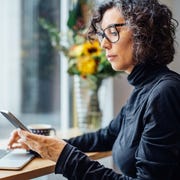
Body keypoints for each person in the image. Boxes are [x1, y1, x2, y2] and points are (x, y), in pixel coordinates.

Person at [8, 0, 180, 179]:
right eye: (102, 34)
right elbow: (106, 136)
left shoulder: (165, 93)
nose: (104, 44)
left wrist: (64, 156)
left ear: (143, 33)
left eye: (113, 32)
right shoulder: (144, 89)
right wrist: (43, 146)